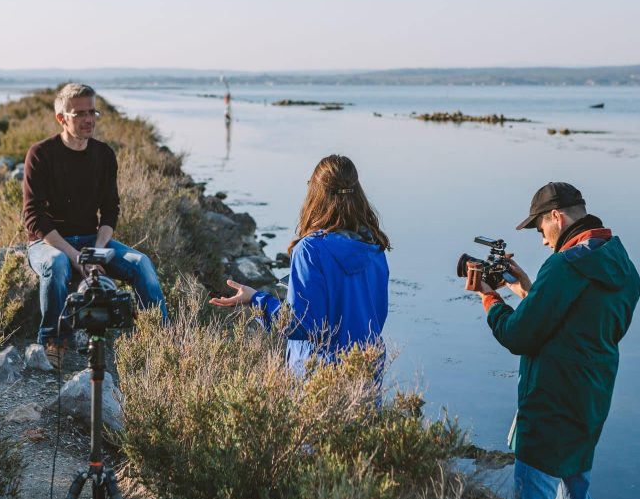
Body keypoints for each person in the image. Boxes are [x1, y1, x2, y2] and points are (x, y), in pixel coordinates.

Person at [464, 182, 640, 499]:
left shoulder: (563, 267)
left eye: (541, 229)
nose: (543, 240)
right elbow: (584, 326)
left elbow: (517, 336)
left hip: (548, 412)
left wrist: (490, 298)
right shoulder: (619, 262)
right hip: (589, 406)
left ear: (556, 218)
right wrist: (531, 290)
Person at [209, 154, 390, 386]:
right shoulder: (374, 247)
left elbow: (299, 325)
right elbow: (376, 317)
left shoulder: (310, 250)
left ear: (317, 193)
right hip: (365, 372)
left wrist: (256, 299)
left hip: (318, 381)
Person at [23, 83, 168, 368]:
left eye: (93, 112)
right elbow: (34, 217)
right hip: (48, 243)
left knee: (141, 263)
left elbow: (110, 211)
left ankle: (161, 340)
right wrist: (77, 258)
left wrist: (97, 252)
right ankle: (54, 339)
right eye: (80, 114)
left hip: (93, 239)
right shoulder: (40, 154)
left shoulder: (104, 155)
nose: (89, 119)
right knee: (57, 265)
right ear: (61, 118)